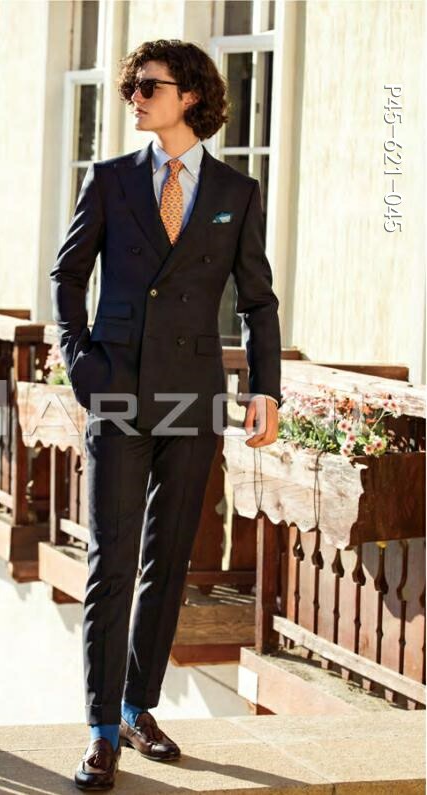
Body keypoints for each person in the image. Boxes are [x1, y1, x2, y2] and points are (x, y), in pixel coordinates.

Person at [50, 38, 282, 791]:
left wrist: (265, 389)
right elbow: (68, 275)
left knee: (167, 563)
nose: (135, 98)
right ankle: (100, 729)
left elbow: (257, 301)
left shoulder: (236, 191)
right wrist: (80, 361)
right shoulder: (110, 179)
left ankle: (137, 706)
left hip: (194, 396)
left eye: (148, 86)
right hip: (116, 388)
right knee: (111, 562)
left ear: (190, 95)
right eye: (131, 87)